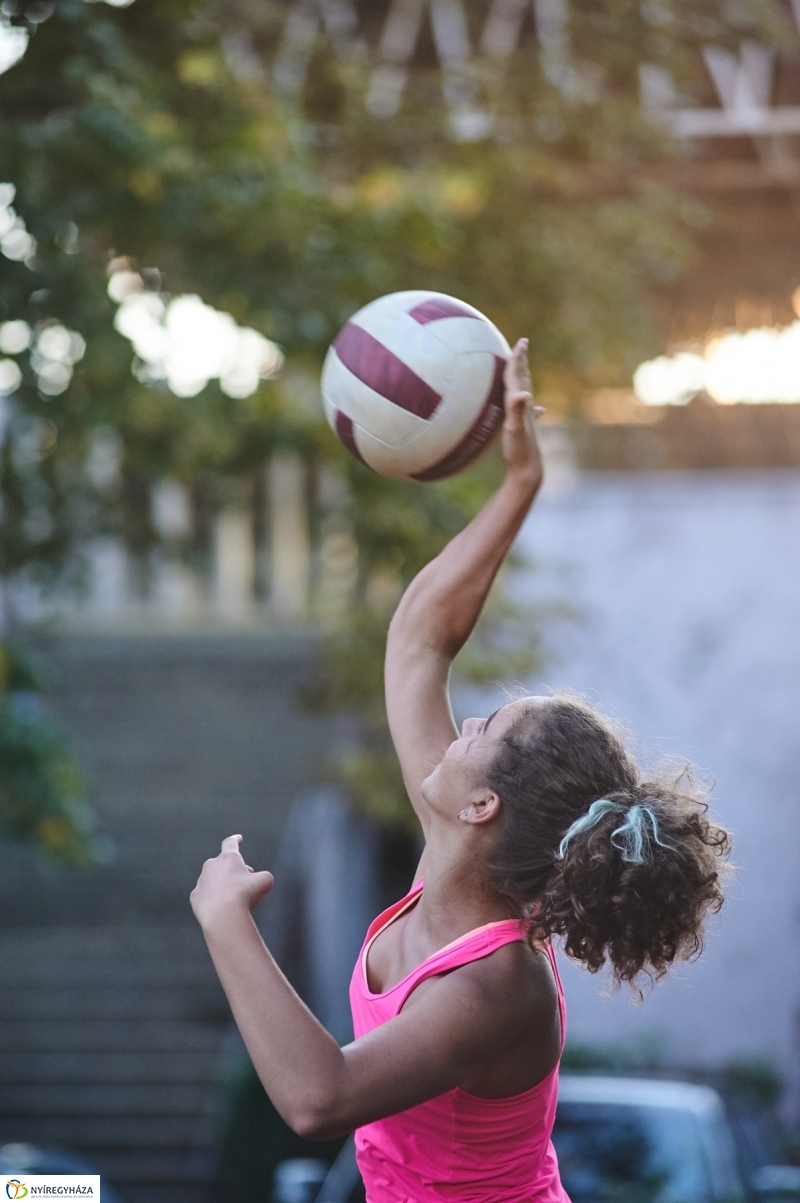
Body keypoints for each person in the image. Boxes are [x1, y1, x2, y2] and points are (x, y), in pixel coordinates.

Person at [190, 339, 731, 1203]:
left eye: (489, 727)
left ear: (483, 801)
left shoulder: (493, 983)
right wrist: (519, 486)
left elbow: (316, 1098)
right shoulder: (456, 862)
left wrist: (226, 921)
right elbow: (418, 642)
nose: (466, 720)